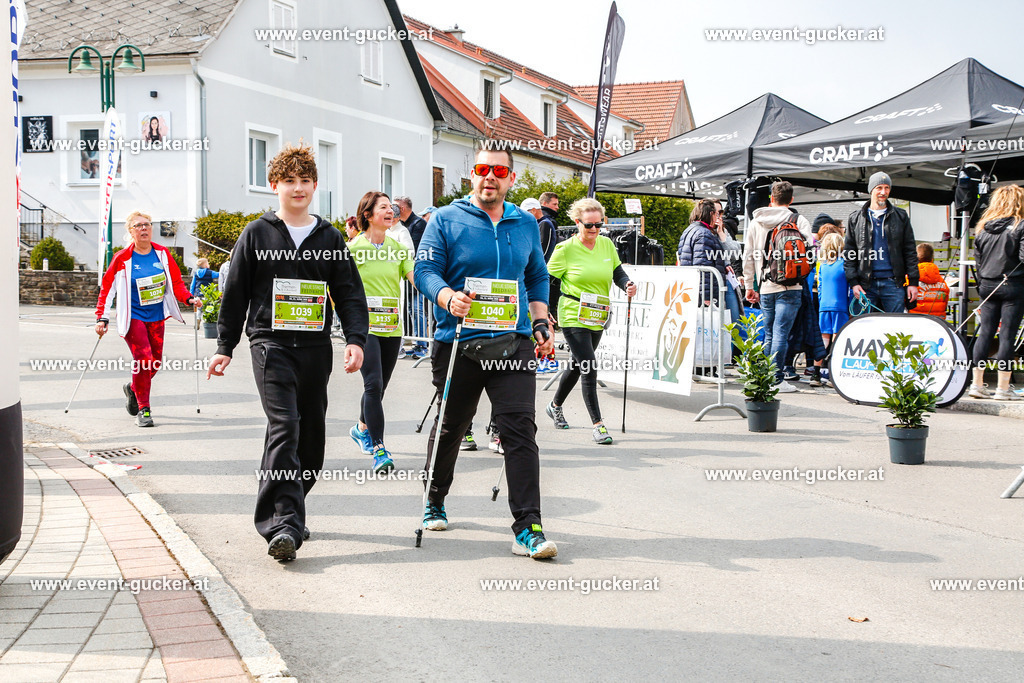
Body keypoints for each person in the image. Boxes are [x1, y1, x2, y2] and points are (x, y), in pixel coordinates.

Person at [206, 143, 369, 562]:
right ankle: (283, 525)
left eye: (305, 181)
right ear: (274, 185)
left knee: (311, 440)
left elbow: (349, 293)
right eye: (289, 181)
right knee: (285, 426)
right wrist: (225, 345)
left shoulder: (330, 237)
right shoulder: (257, 233)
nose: (297, 188)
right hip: (269, 344)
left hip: (315, 349)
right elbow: (236, 292)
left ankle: (290, 509)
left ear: (315, 185)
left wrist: (355, 339)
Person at [414, 144, 558, 560]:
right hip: (458, 342)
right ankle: (435, 496)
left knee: (519, 430)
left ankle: (528, 526)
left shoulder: (524, 224)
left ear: (511, 178)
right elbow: (425, 270)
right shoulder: (446, 219)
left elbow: (536, 277)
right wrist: (446, 298)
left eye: (499, 170)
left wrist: (541, 321)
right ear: (471, 176)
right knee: (452, 426)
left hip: (512, 345)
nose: (489, 176)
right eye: (482, 169)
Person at [95, 211, 200, 428]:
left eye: (147, 225)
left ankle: (134, 388)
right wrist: (102, 317)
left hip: (156, 316)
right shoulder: (122, 258)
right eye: (138, 226)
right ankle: (144, 408)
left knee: (155, 362)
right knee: (143, 358)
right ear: (130, 231)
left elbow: (177, 282)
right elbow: (107, 288)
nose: (144, 228)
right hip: (133, 316)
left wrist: (189, 299)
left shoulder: (162, 254)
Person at [546, 198, 636, 444]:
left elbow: (617, 271)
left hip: (597, 312)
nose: (595, 230)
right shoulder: (565, 249)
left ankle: (554, 405)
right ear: (577, 223)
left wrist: (626, 284)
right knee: (589, 366)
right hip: (572, 311)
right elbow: (548, 280)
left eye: (599, 225)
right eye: (589, 225)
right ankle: (598, 424)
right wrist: (548, 311)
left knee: (577, 364)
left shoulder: (606, 245)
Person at [347, 192, 416, 470]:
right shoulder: (352, 249)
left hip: (392, 327)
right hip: (365, 329)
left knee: (380, 387)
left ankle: (361, 427)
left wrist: (444, 293)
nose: (391, 211)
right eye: (384, 207)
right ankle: (380, 451)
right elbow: (337, 288)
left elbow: (415, 276)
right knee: (373, 384)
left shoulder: (398, 249)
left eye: (392, 207)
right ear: (368, 214)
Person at [742, 181, 813, 392]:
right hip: (791, 287)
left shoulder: (757, 221)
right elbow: (809, 255)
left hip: (765, 286)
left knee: (770, 333)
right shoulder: (799, 220)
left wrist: (749, 285)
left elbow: (748, 256)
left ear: (771, 199)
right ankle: (776, 379)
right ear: (791, 200)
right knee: (781, 332)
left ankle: (765, 377)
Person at [968, 184, 1024, 401]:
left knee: (985, 333)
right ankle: (1002, 387)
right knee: (1007, 336)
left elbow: (978, 262)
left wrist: (983, 285)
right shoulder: (1021, 225)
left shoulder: (983, 227)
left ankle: (977, 384)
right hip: (1013, 284)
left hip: (988, 286)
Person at [844, 172, 919, 314]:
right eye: (879, 188)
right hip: (865, 285)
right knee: (864, 328)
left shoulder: (901, 216)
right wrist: (853, 283)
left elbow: (910, 251)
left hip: (893, 283)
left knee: (895, 329)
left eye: (886, 188)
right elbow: (849, 254)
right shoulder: (855, 218)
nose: (883, 192)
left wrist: (913, 283)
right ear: (871, 190)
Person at [521, 197, 557, 374]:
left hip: (541, 277)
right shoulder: (541, 224)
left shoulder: (545, 224)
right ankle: (545, 356)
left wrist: (533, 270)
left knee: (545, 316)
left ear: (535, 210)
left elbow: (541, 253)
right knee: (542, 315)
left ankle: (548, 358)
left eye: (528, 213)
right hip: (539, 275)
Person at [814, 231, 850, 386]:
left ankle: (815, 374)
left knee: (823, 341)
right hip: (840, 306)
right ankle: (830, 372)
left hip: (824, 307)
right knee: (837, 340)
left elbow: (820, 287)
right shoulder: (844, 265)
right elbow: (849, 289)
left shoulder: (822, 266)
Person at [395, 196, 429, 358]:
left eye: (394, 207)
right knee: (410, 309)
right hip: (405, 277)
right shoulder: (403, 225)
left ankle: (421, 345)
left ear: (402, 208)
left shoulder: (418, 224)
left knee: (417, 309)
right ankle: (415, 342)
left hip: (415, 275)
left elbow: (413, 250)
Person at [911, 243, 950, 318]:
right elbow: (945, 302)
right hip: (938, 323)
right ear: (932, 259)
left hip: (915, 321)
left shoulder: (910, 279)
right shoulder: (942, 281)